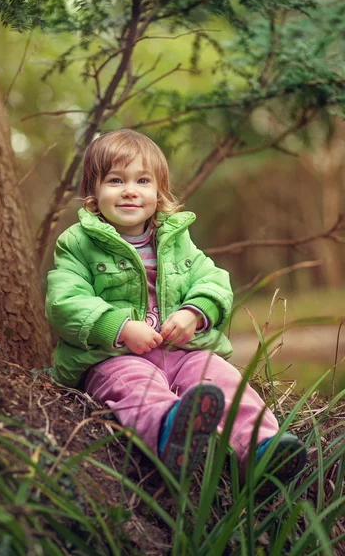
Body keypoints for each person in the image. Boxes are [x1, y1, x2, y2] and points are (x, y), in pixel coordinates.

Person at [45, 129, 306, 485]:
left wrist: (194, 313)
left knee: (220, 376)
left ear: (158, 191)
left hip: (183, 351)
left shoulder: (174, 239)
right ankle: (170, 431)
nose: (130, 191)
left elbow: (212, 280)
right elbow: (65, 301)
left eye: (142, 180)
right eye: (115, 180)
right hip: (113, 356)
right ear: (93, 192)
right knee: (134, 384)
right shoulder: (77, 243)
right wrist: (118, 327)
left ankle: (259, 447)